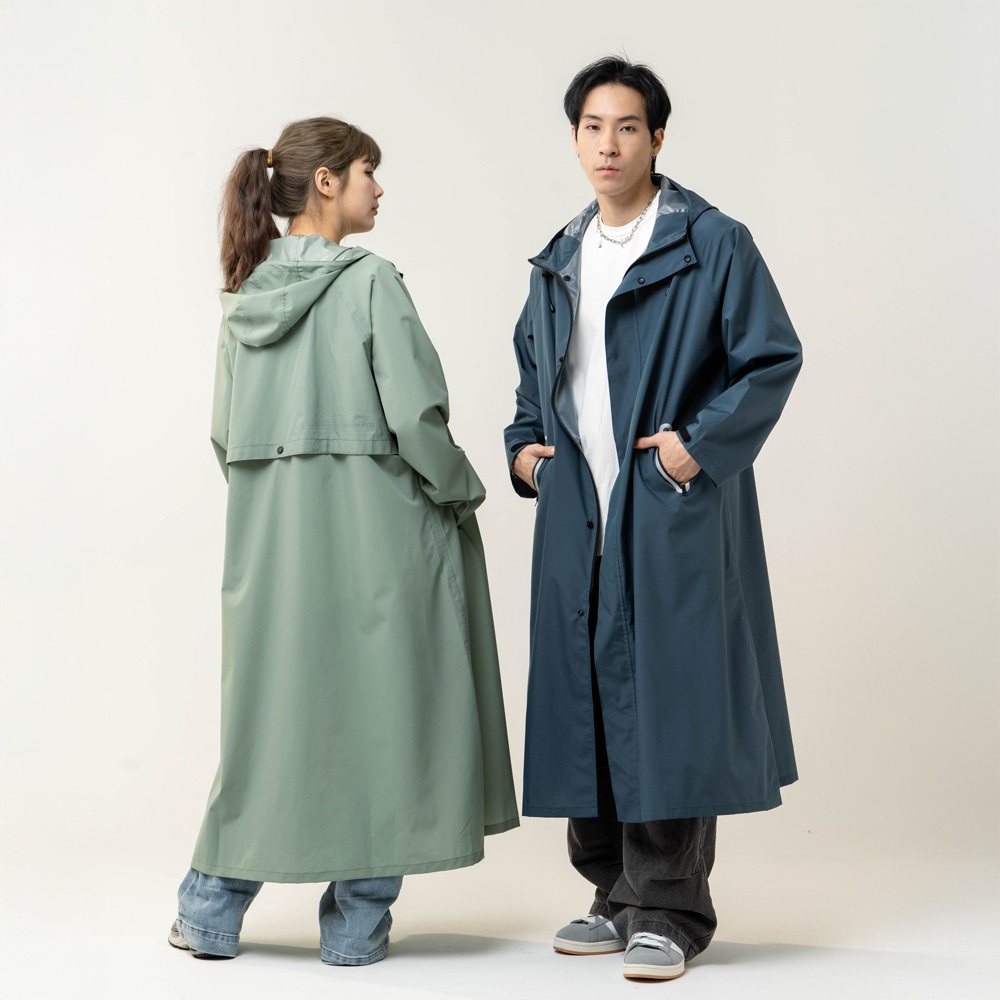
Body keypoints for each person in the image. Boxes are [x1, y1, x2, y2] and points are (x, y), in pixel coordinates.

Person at [170, 116, 518, 967]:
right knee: (389, 717)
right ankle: (356, 928)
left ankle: (208, 913)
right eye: (369, 170)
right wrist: (462, 490)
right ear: (326, 181)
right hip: (383, 539)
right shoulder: (370, 284)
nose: (379, 187)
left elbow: (224, 437)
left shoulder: (244, 297)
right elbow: (417, 420)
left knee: (269, 722)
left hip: (272, 548)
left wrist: (282, 507)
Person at [503, 57, 802, 982]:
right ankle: (613, 893)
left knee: (669, 704)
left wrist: (692, 450)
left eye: (627, 126)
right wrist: (524, 454)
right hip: (579, 514)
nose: (609, 144)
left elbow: (770, 358)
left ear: (657, 138)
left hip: (666, 508)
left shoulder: (711, 242)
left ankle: (670, 909)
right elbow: (534, 379)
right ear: (574, 140)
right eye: (593, 127)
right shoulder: (558, 258)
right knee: (588, 698)